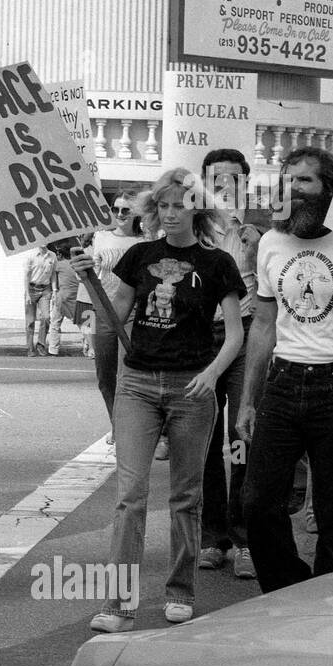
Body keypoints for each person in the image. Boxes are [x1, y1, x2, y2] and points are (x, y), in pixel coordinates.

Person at [72, 168, 245, 632]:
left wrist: (212, 374)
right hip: (138, 386)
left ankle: (180, 590)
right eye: (163, 206)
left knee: (186, 496)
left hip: (193, 386)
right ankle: (118, 603)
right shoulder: (140, 256)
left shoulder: (217, 264)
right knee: (129, 495)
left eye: (179, 205)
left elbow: (235, 333)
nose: (170, 214)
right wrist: (90, 281)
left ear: (197, 210)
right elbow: (115, 316)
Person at [237, 147, 333, 593]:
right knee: (258, 502)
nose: (293, 190)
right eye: (287, 181)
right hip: (283, 383)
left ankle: (328, 599)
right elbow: (264, 325)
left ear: (329, 189)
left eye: (304, 182)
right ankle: (288, 588)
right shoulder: (271, 243)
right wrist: (248, 400)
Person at [197, 148, 261, 579]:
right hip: (202, 340)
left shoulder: (262, 230)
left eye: (232, 177)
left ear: (245, 182)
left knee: (243, 435)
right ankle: (211, 538)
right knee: (202, 439)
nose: (223, 183)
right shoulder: (192, 229)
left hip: (249, 337)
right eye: (215, 176)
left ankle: (243, 540)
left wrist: (260, 247)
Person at [90, 192, 144, 427]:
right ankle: (115, 421)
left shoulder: (143, 243)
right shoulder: (100, 236)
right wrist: (88, 315)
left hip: (132, 315)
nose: (120, 214)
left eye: (125, 210)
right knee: (104, 375)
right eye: (115, 209)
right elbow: (91, 276)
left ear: (135, 214)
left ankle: (125, 426)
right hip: (102, 311)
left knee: (126, 376)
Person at [23, 243, 56, 357]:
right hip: (31, 289)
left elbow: (53, 275)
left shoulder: (52, 256)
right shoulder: (31, 255)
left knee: (46, 317)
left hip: (45, 290)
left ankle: (41, 344)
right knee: (30, 321)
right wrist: (27, 294)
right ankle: (30, 347)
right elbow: (26, 276)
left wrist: (54, 290)